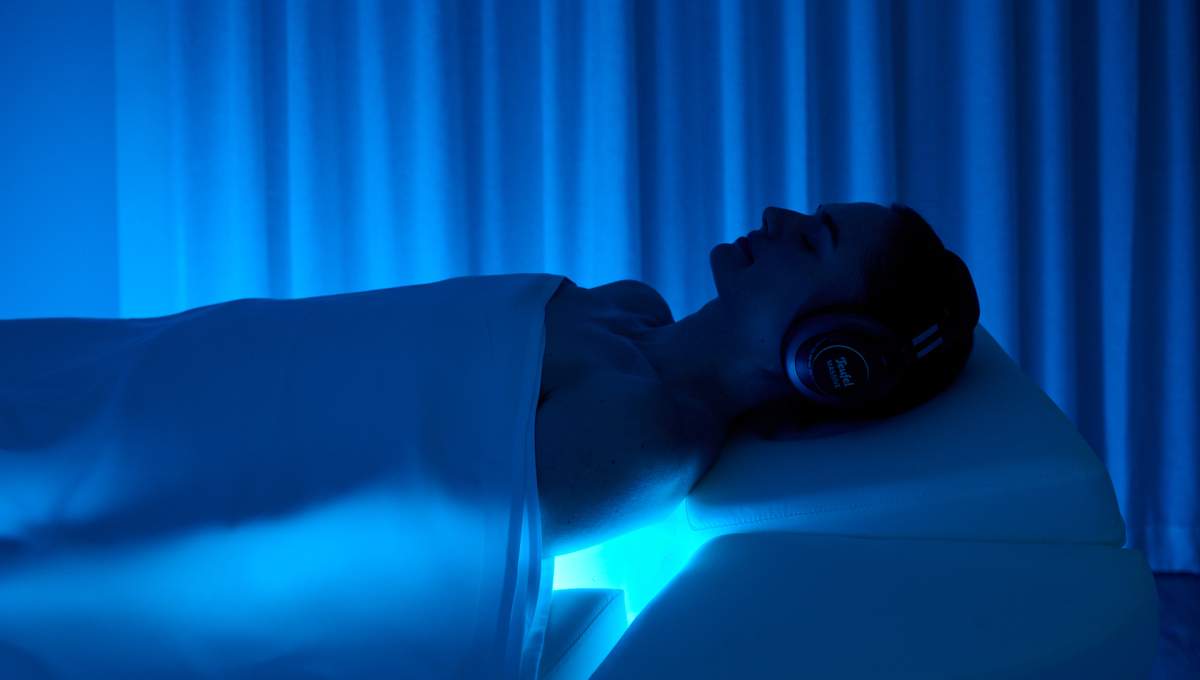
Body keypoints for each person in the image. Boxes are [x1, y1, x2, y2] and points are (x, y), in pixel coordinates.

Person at [536, 202, 980, 557]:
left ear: (830, 352)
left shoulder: (646, 440)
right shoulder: (630, 302)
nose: (775, 215)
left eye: (810, 242)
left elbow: (471, 541)